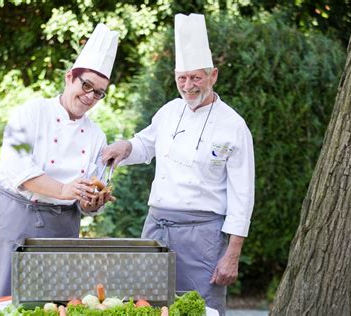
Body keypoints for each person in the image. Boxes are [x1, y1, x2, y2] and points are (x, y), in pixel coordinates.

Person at [102, 14, 254, 316]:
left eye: (196, 77)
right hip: (157, 229)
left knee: (200, 309)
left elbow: (243, 195)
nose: (188, 86)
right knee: (148, 306)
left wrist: (232, 253)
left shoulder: (234, 126)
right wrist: (125, 147)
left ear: (213, 76)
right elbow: (146, 145)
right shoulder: (170, 111)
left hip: (203, 237)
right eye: (181, 78)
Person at [0, 24, 119, 308]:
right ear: (68, 78)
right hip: (13, 216)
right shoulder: (30, 112)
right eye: (85, 85)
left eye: (98, 92)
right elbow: (18, 169)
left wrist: (93, 202)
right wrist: (64, 189)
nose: (90, 96)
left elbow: (88, 194)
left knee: (52, 304)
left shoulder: (98, 135)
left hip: (61, 226)